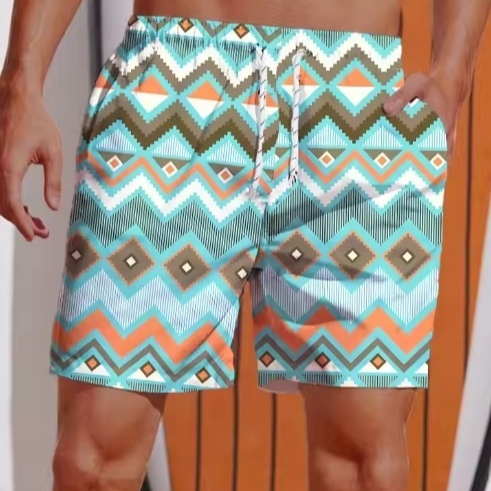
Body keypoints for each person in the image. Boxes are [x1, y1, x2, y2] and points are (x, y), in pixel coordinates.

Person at [0, 0, 489, 489]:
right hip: (175, 85)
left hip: (357, 104)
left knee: (364, 467)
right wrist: (21, 84)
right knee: (92, 462)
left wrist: (454, 74)